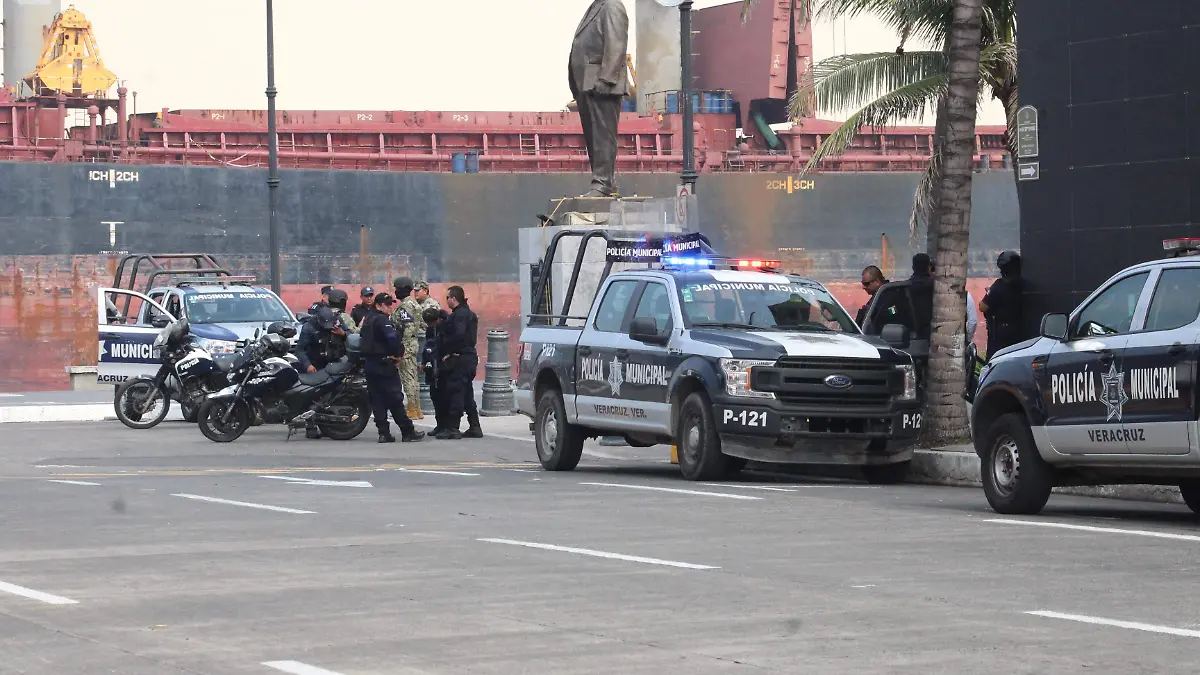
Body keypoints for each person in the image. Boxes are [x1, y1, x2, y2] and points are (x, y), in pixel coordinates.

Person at [359, 292, 424, 443]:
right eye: (386, 305)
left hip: (370, 364)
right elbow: (392, 338)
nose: (390, 307)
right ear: (378, 306)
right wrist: (397, 354)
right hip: (384, 364)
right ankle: (407, 431)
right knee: (395, 398)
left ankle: (384, 433)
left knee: (378, 400)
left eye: (390, 304)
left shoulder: (368, 319)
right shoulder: (382, 320)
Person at [294, 305, 347, 439]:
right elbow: (300, 350)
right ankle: (310, 425)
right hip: (315, 365)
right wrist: (308, 365)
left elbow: (351, 336)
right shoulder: (309, 327)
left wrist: (343, 334)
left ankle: (329, 424)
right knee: (312, 396)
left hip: (333, 363)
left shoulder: (338, 322)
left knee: (333, 394)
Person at [438, 285, 483, 439]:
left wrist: (449, 352)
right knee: (466, 393)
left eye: (447, 298)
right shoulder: (466, 313)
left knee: (456, 391)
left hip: (461, 357)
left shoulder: (460, 315)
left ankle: (453, 428)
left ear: (453, 299)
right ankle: (474, 426)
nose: (446, 301)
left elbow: (458, 335)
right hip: (468, 356)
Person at [390, 276, 423, 420]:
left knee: (408, 378)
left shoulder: (405, 306)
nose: (395, 292)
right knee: (413, 378)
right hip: (412, 344)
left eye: (397, 289)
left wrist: (401, 347)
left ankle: (411, 408)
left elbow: (408, 327)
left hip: (406, 347)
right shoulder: (414, 304)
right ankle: (416, 408)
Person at [980, 250, 1024, 359]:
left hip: (1000, 334)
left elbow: (983, 307)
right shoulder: (1023, 285)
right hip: (1019, 331)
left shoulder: (999, 286)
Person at [422, 306, 450, 436]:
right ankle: (439, 424)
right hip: (431, 366)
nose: (430, 325)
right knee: (435, 396)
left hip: (442, 366)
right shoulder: (430, 329)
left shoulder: (446, 328)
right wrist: (423, 362)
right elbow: (426, 347)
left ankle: (446, 425)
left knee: (444, 397)